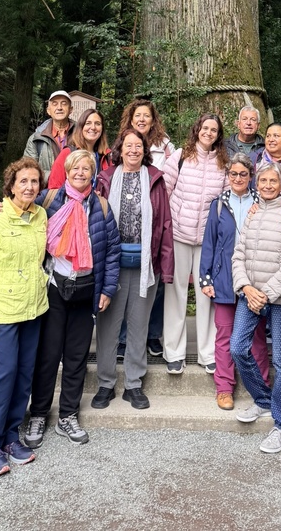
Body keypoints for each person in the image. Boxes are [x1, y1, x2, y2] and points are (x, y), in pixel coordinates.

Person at [0, 150, 121, 448]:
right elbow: (14, 201)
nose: (81, 173)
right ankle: (39, 413)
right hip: (53, 289)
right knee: (46, 356)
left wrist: (108, 289)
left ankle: (68, 414)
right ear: (67, 171)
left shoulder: (102, 207)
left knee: (76, 357)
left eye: (87, 168)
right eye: (76, 168)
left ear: (93, 173)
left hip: (87, 290)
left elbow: (111, 252)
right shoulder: (48, 200)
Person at [0, 157, 48, 476]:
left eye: (34, 182)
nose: (29, 187)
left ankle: (11, 437)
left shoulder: (40, 215)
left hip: (34, 308)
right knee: (3, 376)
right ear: (11, 186)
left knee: (24, 374)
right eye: (23, 181)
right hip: (2, 312)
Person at [92, 129, 175, 410]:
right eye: (128, 145)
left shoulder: (155, 180)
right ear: (120, 149)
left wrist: (166, 265)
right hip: (111, 265)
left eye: (138, 146)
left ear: (145, 150)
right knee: (108, 326)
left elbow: (164, 225)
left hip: (144, 266)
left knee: (139, 326)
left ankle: (133, 384)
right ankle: (105, 383)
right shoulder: (105, 179)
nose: (133, 150)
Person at [230, 161, 281, 454]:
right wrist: (246, 288)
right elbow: (239, 254)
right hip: (250, 294)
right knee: (238, 347)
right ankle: (263, 400)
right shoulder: (252, 214)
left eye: (273, 181)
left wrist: (265, 293)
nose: (268, 185)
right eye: (263, 181)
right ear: (257, 183)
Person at [199, 153, 270, 410]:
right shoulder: (218, 204)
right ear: (227, 176)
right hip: (225, 281)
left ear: (251, 176)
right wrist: (206, 278)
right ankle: (224, 388)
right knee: (225, 336)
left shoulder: (262, 202)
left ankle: (261, 386)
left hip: (255, 278)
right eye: (233, 174)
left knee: (257, 337)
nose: (238, 178)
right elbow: (209, 244)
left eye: (243, 174)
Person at [163, 113, 229, 374]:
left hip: (207, 241)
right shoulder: (179, 157)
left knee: (206, 295)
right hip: (178, 235)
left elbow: (224, 203)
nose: (209, 133)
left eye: (214, 130)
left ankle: (207, 353)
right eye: (205, 128)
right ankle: (174, 352)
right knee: (175, 294)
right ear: (197, 129)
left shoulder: (224, 163)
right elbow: (164, 193)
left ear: (218, 135)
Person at [116, 98, 175, 356]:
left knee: (156, 282)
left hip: (157, 214)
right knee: (122, 284)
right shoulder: (121, 145)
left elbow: (171, 180)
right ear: (130, 119)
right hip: (126, 220)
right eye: (137, 115)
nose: (141, 119)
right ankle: (121, 336)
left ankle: (152, 335)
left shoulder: (167, 147)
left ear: (153, 119)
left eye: (146, 116)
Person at [47, 107, 112, 189]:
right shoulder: (68, 153)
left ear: (102, 129)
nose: (93, 127)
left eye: (97, 124)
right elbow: (54, 187)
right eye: (88, 123)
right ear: (81, 127)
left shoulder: (106, 156)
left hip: (98, 201)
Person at [24, 90, 75, 179]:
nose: (59, 107)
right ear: (48, 110)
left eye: (64, 103)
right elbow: (29, 170)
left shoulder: (81, 134)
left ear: (71, 109)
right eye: (54, 104)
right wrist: (57, 176)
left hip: (77, 190)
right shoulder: (36, 138)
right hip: (46, 191)